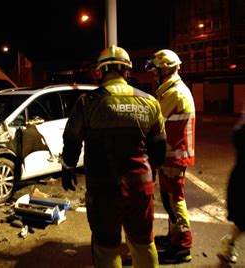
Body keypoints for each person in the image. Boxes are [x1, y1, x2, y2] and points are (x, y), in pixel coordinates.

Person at [61, 45, 166, 267]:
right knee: (143, 243)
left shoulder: (87, 102)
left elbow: (72, 142)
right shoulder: (150, 102)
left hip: (103, 189)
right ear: (127, 71)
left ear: (101, 71)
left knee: (106, 247)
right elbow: (159, 151)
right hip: (141, 187)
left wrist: (68, 167)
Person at [145, 49, 195, 263]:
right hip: (170, 155)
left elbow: (154, 120)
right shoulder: (171, 89)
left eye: (156, 70)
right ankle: (173, 236)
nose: (154, 74)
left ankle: (183, 246)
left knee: (175, 201)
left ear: (165, 70)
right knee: (168, 198)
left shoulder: (175, 93)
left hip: (174, 156)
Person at [217, 106, 245, 264]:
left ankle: (230, 243)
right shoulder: (242, 129)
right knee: (242, 220)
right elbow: (238, 138)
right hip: (243, 177)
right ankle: (230, 242)